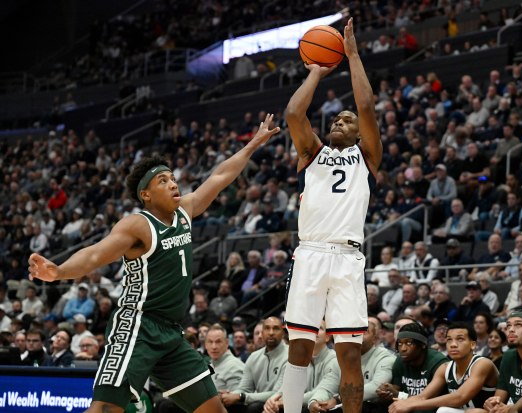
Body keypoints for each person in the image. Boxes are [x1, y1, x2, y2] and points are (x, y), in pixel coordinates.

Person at [28, 116, 280, 413]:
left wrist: (252, 144)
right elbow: (95, 254)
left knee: (213, 410)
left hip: (172, 332)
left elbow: (220, 176)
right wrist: (59, 271)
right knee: (107, 409)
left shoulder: (185, 210)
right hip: (137, 325)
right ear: (146, 195)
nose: (173, 183)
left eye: (173, 178)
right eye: (163, 181)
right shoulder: (138, 225)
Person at [282, 18, 382, 413]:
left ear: (359, 134)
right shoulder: (312, 152)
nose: (337, 121)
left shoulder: (367, 155)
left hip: (347, 258)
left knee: (350, 354)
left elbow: (367, 105)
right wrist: (316, 72)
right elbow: (293, 112)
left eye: (345, 120)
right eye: (334, 119)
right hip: (309, 253)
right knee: (301, 348)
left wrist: (353, 55)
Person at [388, 322, 498, 413]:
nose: (453, 344)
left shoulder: (482, 364)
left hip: (491, 411)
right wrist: (402, 403)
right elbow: (422, 397)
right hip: (464, 411)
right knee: (443, 410)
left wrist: (412, 405)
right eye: (449, 340)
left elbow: (460, 397)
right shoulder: (445, 368)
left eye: (460, 339)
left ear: (472, 345)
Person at [376, 322, 448, 413]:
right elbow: (396, 389)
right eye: (400, 343)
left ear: (423, 345)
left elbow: (425, 401)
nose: (403, 349)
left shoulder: (439, 363)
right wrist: (387, 391)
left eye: (409, 343)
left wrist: (398, 394)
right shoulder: (400, 360)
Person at [205, 324, 245, 392]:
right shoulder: (208, 365)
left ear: (227, 343)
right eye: (210, 342)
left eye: (218, 342)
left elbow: (237, 399)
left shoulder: (234, 366)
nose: (214, 347)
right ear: (206, 345)